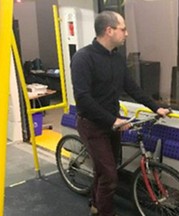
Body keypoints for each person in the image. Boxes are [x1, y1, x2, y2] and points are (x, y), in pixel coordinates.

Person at [70, 11, 170, 216]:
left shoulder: (116, 59)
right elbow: (83, 99)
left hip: (113, 124)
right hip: (92, 125)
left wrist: (155, 107)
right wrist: (113, 120)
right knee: (110, 176)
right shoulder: (83, 58)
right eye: (123, 29)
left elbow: (132, 88)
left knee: (105, 169)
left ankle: (96, 204)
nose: (127, 33)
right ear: (109, 30)